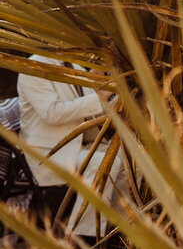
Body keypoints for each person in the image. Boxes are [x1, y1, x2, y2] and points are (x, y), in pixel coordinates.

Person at [17, 55, 112, 239]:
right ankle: (82, 236)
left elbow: (92, 105)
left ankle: (112, 229)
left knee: (130, 160)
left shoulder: (72, 62)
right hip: (49, 152)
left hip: (78, 144)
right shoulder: (32, 67)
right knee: (102, 162)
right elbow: (51, 113)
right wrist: (98, 96)